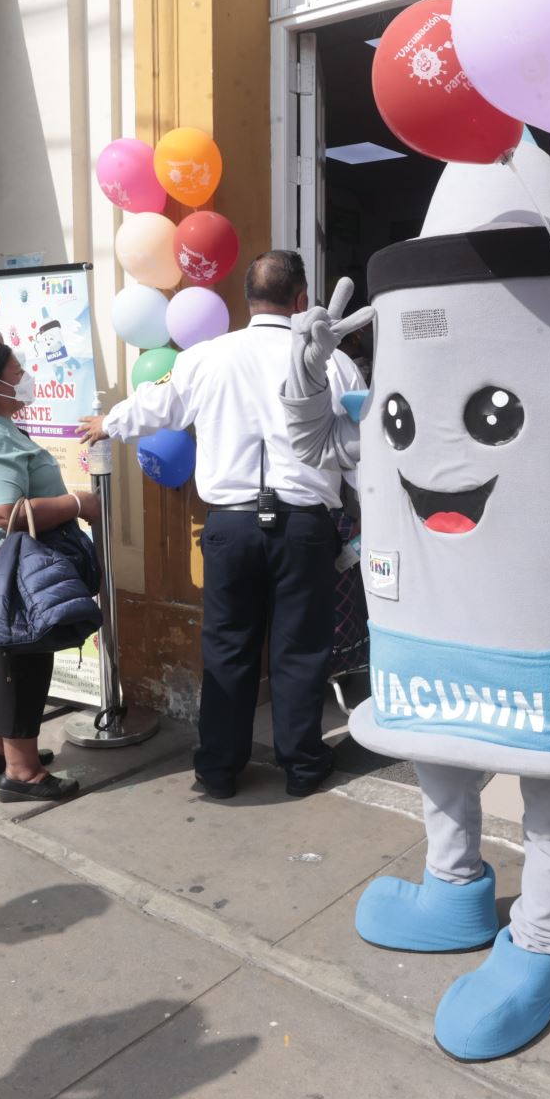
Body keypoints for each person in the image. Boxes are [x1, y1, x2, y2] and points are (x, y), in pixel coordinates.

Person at [80, 250, 363, 799]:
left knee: (228, 649)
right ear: (301, 299)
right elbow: (360, 441)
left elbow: (155, 406)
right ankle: (303, 765)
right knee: (299, 649)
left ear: (248, 300)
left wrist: (107, 423)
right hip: (305, 527)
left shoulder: (205, 357)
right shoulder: (333, 360)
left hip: (230, 529)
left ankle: (218, 769)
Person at [0, 342, 97, 801]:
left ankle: (1, 751)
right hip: (7, 580)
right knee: (19, 671)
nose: (26, 376)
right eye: (18, 370)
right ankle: (22, 774)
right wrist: (79, 504)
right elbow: (4, 510)